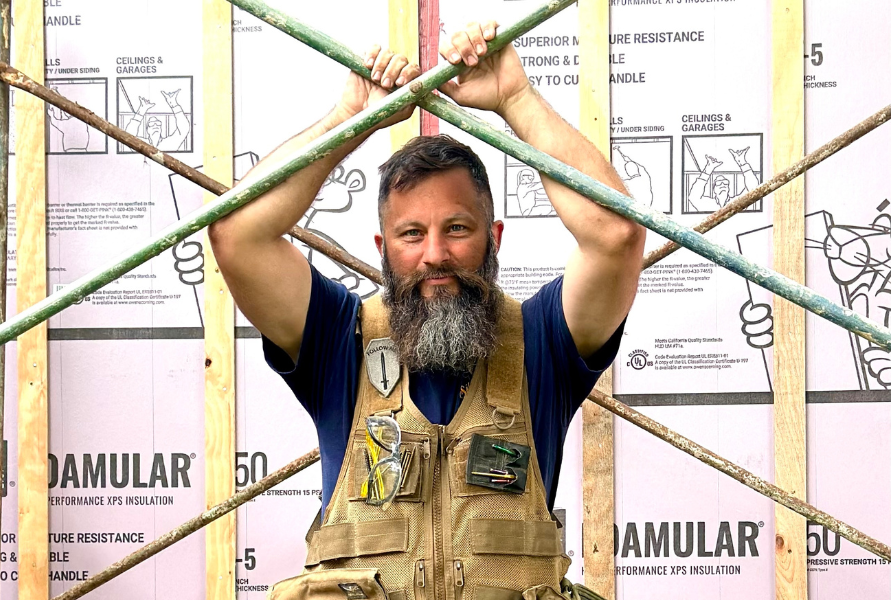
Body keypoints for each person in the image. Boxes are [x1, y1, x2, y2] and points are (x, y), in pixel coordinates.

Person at [209, 20, 644, 600]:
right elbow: (237, 234)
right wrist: (349, 117)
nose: (435, 255)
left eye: (457, 229)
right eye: (411, 234)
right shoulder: (339, 342)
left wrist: (516, 97)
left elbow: (616, 234)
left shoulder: (543, 343)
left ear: (494, 237)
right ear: (383, 251)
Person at [687, 147, 759, 212]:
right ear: (714, 189)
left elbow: (753, 190)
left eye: (725, 183)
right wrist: (707, 170)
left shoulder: (736, 201)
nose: (722, 185)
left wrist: (742, 162)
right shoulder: (707, 203)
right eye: (718, 183)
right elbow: (693, 197)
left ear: (728, 188)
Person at [124, 89, 191, 152]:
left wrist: (173, 104)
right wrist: (141, 110)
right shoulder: (142, 143)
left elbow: (184, 129)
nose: (155, 125)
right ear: (147, 129)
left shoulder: (170, 143)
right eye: (151, 124)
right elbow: (128, 136)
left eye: (158, 123)